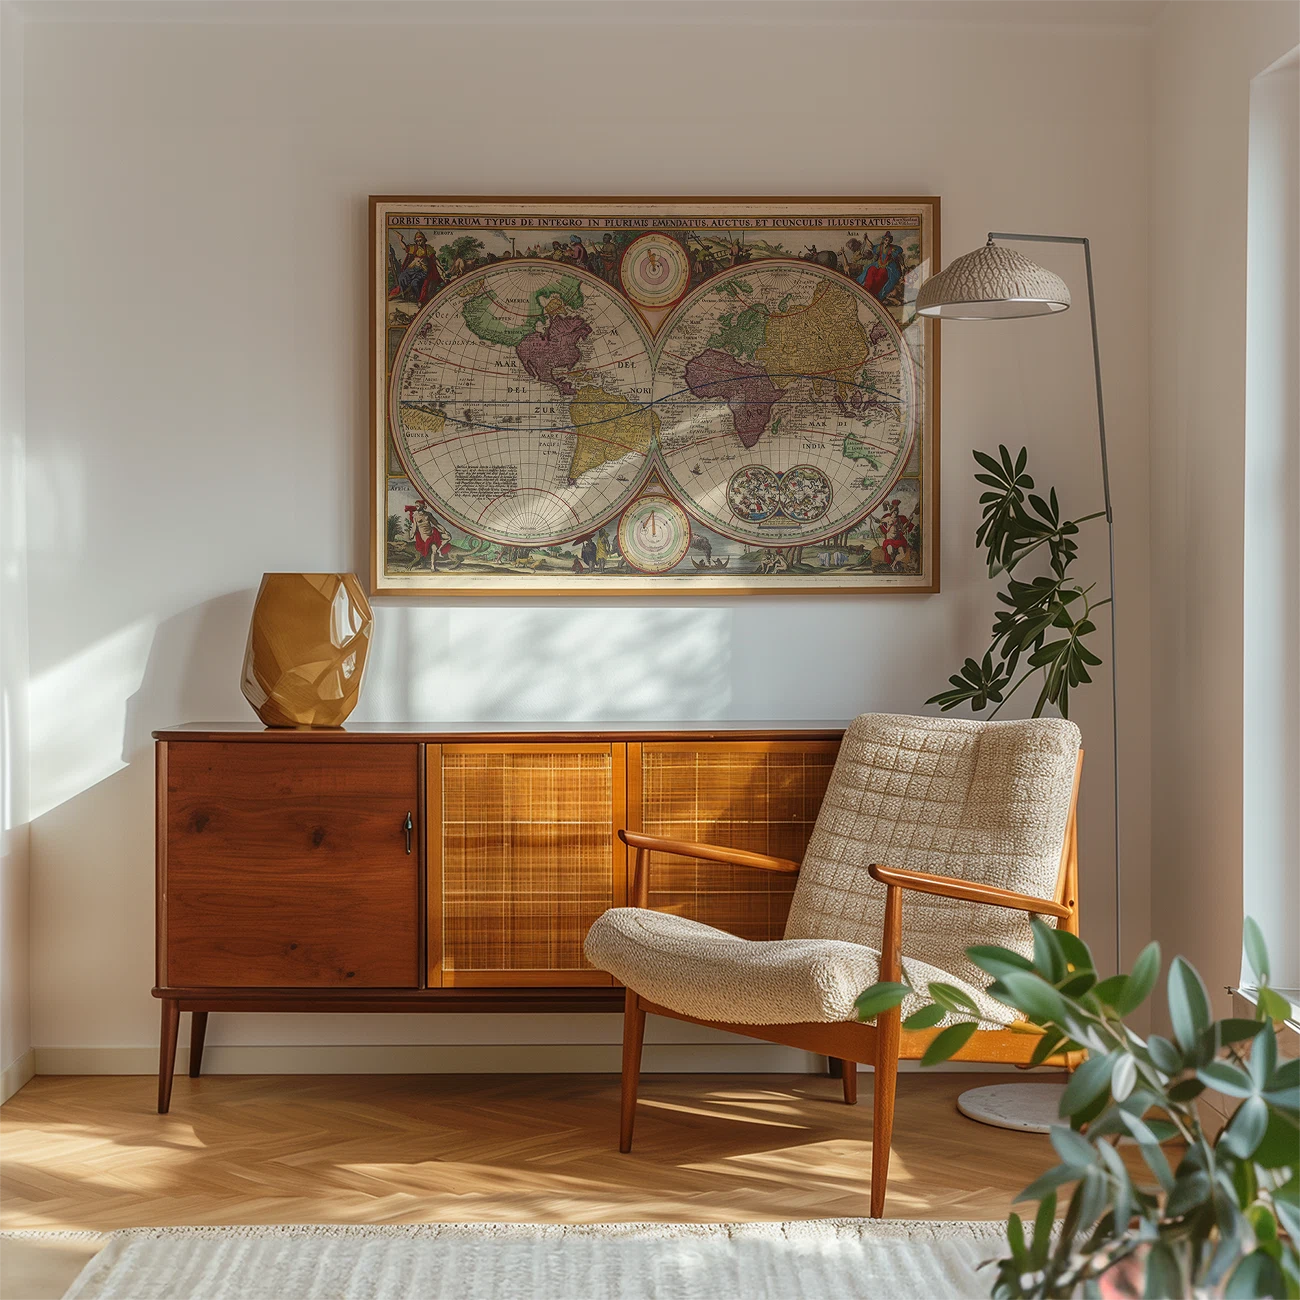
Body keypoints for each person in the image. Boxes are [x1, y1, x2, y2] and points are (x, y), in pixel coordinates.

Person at [389, 231, 442, 304]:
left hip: (422, 271)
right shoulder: (414, 247)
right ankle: (402, 291)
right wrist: (400, 240)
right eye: (417, 241)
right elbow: (405, 248)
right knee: (402, 277)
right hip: (412, 269)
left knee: (415, 283)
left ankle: (419, 299)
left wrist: (440, 266)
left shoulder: (428, 248)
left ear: (424, 240)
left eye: (420, 240)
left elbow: (434, 259)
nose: (419, 242)